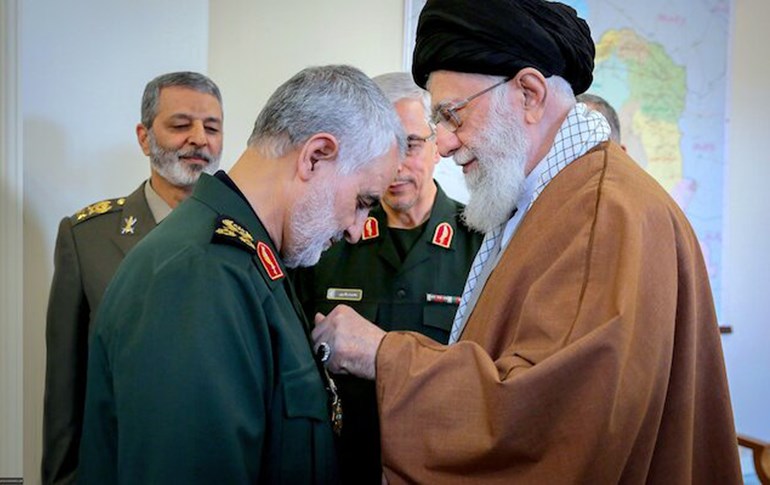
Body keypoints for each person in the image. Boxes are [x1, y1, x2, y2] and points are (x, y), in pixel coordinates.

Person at [311, 1, 742, 483]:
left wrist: (382, 355)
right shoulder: (553, 197)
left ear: (530, 94)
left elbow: (549, 421)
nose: (446, 143)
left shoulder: (603, 213)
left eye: (453, 115)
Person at [78, 65, 405, 484]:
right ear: (315, 155)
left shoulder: (253, 262)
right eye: (362, 201)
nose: (358, 230)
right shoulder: (197, 277)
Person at [293, 72, 483, 484]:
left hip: (439, 468)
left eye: (412, 144)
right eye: (384, 148)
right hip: (341, 466)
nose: (396, 165)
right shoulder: (325, 243)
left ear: (437, 146)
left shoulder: (481, 245)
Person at [42, 71, 223, 485]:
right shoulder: (87, 237)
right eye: (180, 125)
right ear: (144, 137)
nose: (199, 138)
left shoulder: (243, 237)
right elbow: (65, 390)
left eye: (211, 127)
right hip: (120, 464)